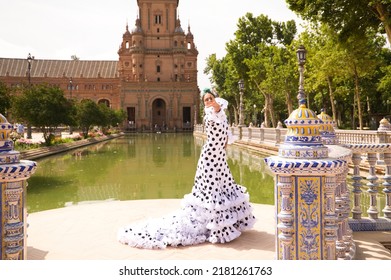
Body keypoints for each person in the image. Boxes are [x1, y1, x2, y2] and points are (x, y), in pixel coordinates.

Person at [117, 88, 256, 249]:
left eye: (210, 98)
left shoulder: (221, 114)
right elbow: (218, 111)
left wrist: (223, 146)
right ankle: (217, 227)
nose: (209, 101)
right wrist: (215, 105)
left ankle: (224, 224)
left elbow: (225, 133)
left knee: (224, 188)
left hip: (219, 158)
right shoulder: (211, 114)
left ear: (216, 99)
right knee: (212, 193)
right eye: (206, 100)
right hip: (210, 158)